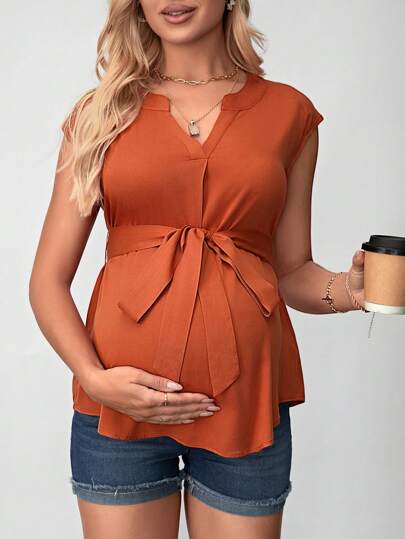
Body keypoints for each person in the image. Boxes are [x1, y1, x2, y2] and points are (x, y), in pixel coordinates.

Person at [29, 1, 367, 537]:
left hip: (247, 408)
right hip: (117, 410)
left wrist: (350, 290)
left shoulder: (289, 113)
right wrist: (96, 381)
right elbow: (47, 282)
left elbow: (292, 270)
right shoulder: (99, 113)